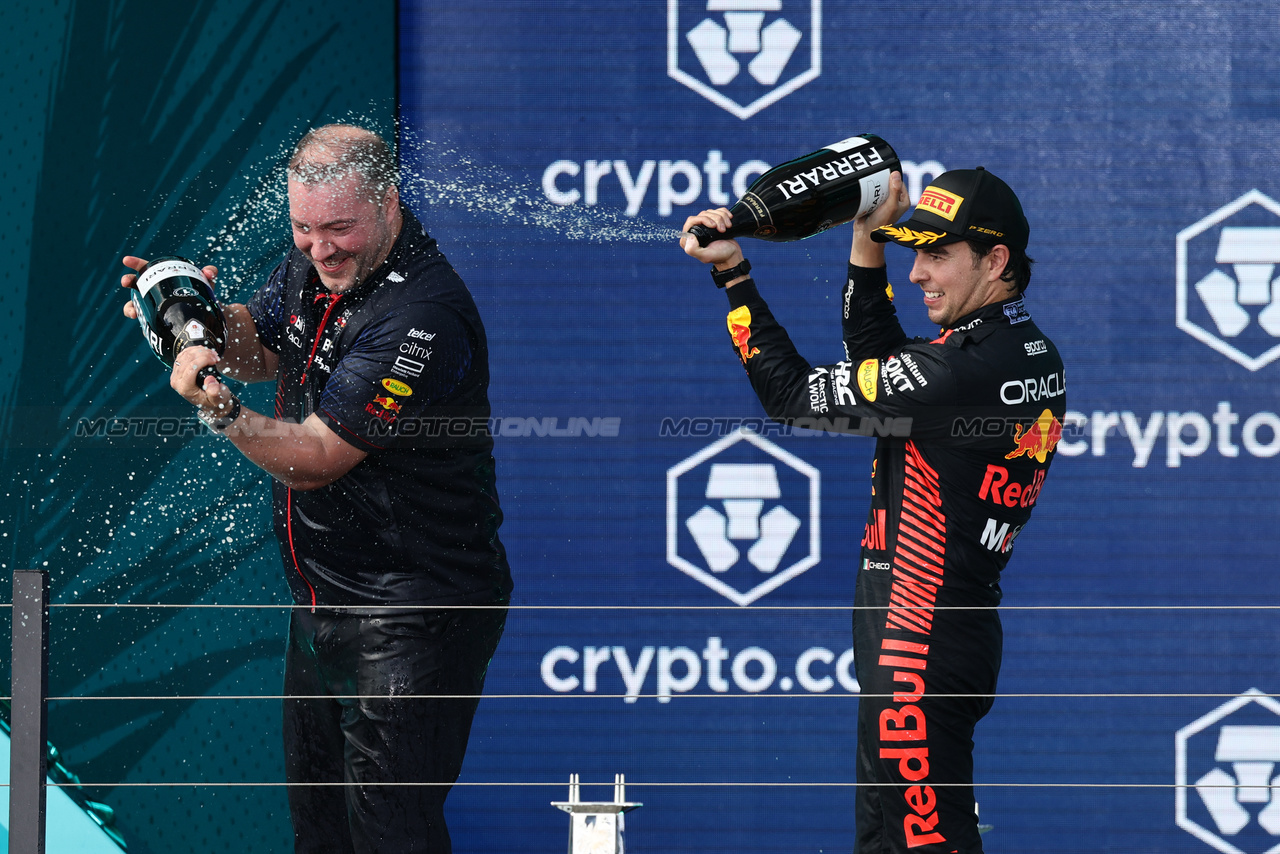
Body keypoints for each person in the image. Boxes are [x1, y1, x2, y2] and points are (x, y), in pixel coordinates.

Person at [120, 124, 512, 854]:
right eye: (303, 229)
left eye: (338, 229)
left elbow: (318, 457)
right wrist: (186, 320)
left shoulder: (421, 317)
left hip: (415, 611)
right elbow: (263, 345)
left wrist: (220, 409)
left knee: (391, 836)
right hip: (326, 599)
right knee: (321, 836)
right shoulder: (313, 265)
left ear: (388, 204)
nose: (321, 249)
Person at [681, 166, 1065, 853]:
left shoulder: (953, 372)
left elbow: (792, 396)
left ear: (996, 260)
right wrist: (866, 239)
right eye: (914, 251)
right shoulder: (1025, 349)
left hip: (915, 648)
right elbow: (886, 370)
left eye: (937, 255)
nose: (918, 273)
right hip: (940, 635)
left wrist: (735, 276)